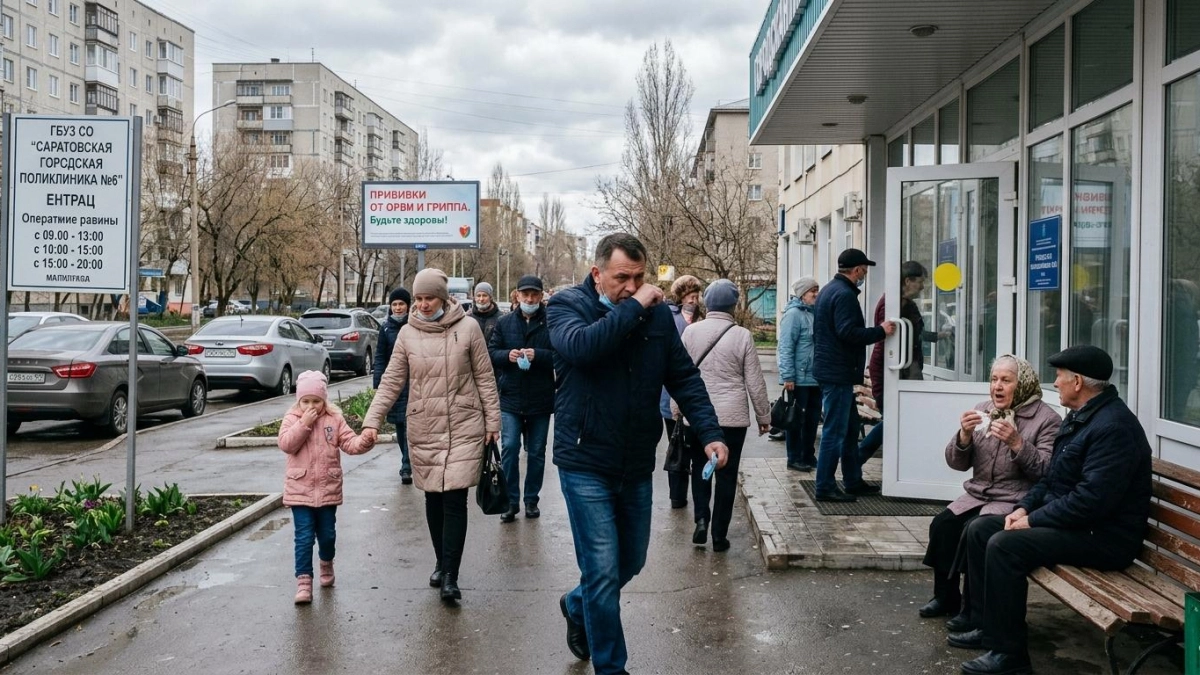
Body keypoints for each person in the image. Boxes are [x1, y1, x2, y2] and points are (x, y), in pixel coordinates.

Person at [548, 233, 728, 674]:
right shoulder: (567, 306)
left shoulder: (657, 320)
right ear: (597, 274)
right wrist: (634, 307)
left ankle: (577, 603)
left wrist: (710, 432)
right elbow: (582, 349)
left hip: (634, 460)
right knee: (604, 569)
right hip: (584, 459)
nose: (632, 287)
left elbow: (683, 377)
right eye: (621, 278)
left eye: (639, 278)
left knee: (631, 561)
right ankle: (612, 667)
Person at [950, 346, 1152, 675]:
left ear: (1077, 382)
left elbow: (1091, 501)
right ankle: (988, 627)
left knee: (1005, 545)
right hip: (1080, 526)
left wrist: (1033, 519)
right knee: (982, 528)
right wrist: (1023, 508)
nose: (1054, 384)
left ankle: (1009, 655)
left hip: (1106, 538)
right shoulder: (1081, 417)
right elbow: (1052, 478)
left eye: (1059, 377)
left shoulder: (1113, 428)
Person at [361, 268, 501, 604]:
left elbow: (484, 378)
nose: (423, 305)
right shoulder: (408, 333)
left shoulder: (468, 328)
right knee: (433, 499)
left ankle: (451, 575)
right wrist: (370, 422)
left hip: (463, 424)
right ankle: (441, 560)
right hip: (424, 425)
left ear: (443, 297)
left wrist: (493, 423)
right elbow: (392, 380)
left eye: (429, 298)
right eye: (419, 298)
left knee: (454, 499)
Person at [919, 355, 1059, 632]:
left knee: (976, 532)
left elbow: (1046, 473)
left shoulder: (1046, 419)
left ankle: (974, 610)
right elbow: (956, 463)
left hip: (1014, 499)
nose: (997, 386)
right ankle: (946, 597)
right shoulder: (983, 409)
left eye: (1006, 380)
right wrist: (964, 437)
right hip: (978, 494)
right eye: (994, 379)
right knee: (944, 524)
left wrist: (1017, 442)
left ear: (1023, 384)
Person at [674, 279, 770, 552]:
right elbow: (755, 381)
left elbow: (678, 373)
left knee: (699, 470)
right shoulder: (742, 335)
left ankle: (701, 519)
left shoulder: (691, 333)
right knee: (726, 477)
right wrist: (764, 416)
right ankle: (719, 536)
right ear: (733, 304)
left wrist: (676, 409)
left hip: (696, 415)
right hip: (732, 418)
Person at [277, 370, 374, 604]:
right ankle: (303, 582)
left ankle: (326, 562)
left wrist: (364, 441)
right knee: (303, 538)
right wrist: (304, 424)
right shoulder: (292, 419)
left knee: (327, 536)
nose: (311, 405)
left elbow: (349, 442)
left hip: (328, 490)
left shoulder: (334, 420)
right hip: (300, 491)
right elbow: (286, 444)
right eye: (306, 401)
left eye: (316, 401)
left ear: (324, 400)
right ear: (299, 401)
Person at [812, 248, 895, 502]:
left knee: (848, 431)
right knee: (835, 432)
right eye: (864, 271)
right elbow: (848, 332)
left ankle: (852, 480)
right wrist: (880, 331)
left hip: (834, 371)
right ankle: (825, 486)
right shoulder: (845, 295)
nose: (865, 275)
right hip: (838, 373)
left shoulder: (828, 290)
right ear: (857, 270)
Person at [859, 261, 942, 461]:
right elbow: (886, 342)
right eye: (920, 282)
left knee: (903, 418)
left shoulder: (907, 305)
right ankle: (856, 461)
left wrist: (940, 336)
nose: (922, 287)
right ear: (907, 281)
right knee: (893, 420)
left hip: (907, 369)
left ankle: (906, 463)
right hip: (892, 370)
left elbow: (914, 333)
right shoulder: (891, 305)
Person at [488, 274, 555, 523]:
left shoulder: (551, 322)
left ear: (541, 296)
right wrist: (509, 356)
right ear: (516, 295)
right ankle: (511, 500)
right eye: (525, 294)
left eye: (534, 294)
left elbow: (561, 354)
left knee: (537, 452)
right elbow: (492, 353)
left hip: (540, 398)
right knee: (510, 448)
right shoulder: (505, 323)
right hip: (511, 398)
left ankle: (531, 500)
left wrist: (538, 354)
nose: (529, 298)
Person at [660, 274, 705, 508]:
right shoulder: (670, 318)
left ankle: (692, 493)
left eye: (696, 296)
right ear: (680, 297)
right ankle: (677, 495)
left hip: (695, 390)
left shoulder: (702, 319)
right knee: (677, 444)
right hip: (671, 395)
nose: (694, 301)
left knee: (694, 444)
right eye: (690, 296)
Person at [777, 276, 821, 471]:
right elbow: (785, 346)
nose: (816, 294)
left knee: (811, 420)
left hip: (814, 377)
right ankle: (794, 457)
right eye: (813, 291)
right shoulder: (794, 314)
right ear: (803, 294)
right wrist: (788, 376)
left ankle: (808, 455)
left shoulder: (813, 313)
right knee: (796, 420)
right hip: (798, 378)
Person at [373, 286, 413, 484]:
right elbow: (380, 356)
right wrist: (378, 382)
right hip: (393, 383)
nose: (398, 308)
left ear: (408, 306)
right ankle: (406, 459)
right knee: (398, 423)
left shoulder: (414, 325)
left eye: (401, 304)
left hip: (413, 381)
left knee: (408, 423)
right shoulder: (386, 327)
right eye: (394, 304)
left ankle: (406, 465)